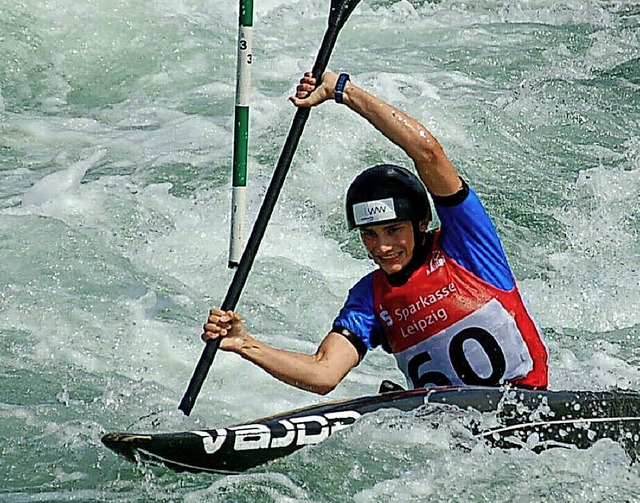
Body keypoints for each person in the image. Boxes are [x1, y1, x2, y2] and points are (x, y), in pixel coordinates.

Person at [202, 71, 548, 394]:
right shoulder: (370, 297)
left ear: (422, 222)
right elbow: (323, 374)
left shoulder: (466, 245)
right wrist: (245, 344)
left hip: (528, 404)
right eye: (369, 234)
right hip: (453, 437)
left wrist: (343, 90)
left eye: (394, 230)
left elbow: (428, 153)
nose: (382, 247)